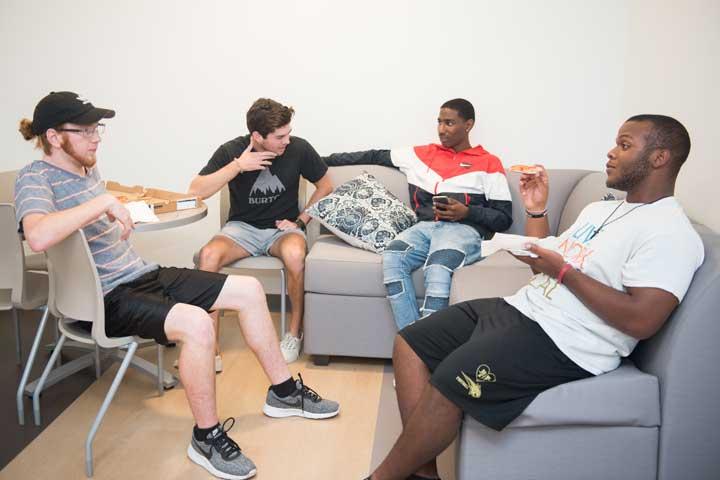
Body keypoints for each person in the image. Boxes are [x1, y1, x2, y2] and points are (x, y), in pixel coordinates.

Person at [15, 91, 339, 480]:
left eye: (96, 128)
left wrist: (111, 203)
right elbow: (37, 236)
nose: (96, 138)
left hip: (140, 275)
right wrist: (102, 205)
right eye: (85, 131)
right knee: (198, 323)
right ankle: (206, 436)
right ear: (54, 136)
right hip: (104, 299)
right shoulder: (35, 177)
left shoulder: (87, 172)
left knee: (248, 290)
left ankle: (284, 393)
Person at [363, 114, 704, 480]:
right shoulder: (603, 209)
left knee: (450, 378)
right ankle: (423, 473)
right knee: (410, 342)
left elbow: (643, 320)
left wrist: (562, 271)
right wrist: (537, 211)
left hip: (568, 341)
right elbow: (545, 260)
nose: (610, 152)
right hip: (525, 308)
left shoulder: (671, 232)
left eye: (624, 145)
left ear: (659, 158)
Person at [323, 99, 513, 329]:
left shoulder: (489, 163)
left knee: (438, 267)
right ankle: (413, 343)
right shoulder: (420, 155)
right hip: (422, 228)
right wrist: (317, 162)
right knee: (393, 257)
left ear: (468, 125)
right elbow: (372, 155)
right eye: (440, 122)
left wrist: (467, 212)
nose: (442, 129)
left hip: (463, 231)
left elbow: (503, 218)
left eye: (450, 123)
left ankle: (430, 348)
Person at [189, 98, 333, 364]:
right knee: (208, 256)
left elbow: (326, 186)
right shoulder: (231, 150)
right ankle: (209, 347)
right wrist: (238, 166)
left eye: (288, 133)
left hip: (282, 230)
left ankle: (293, 334)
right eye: (280, 136)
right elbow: (196, 191)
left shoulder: (299, 148)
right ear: (257, 136)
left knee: (295, 256)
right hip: (241, 229)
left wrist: (301, 222)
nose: (287, 141)